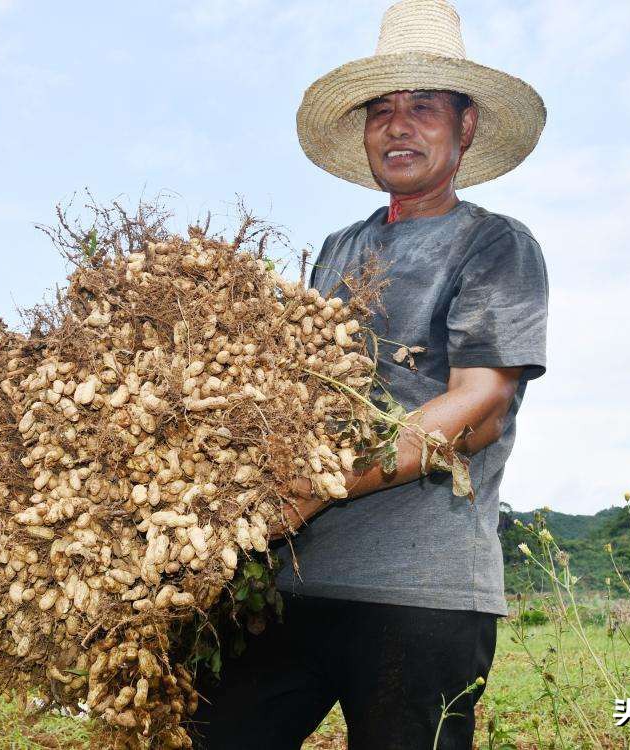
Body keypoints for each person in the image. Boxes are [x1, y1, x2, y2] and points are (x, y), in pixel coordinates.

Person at [191, 1, 548, 748]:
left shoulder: (492, 244)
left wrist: (314, 487)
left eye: (423, 107)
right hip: (289, 585)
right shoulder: (336, 249)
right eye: (381, 109)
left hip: (420, 595)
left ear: (465, 127)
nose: (398, 125)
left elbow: (478, 406)